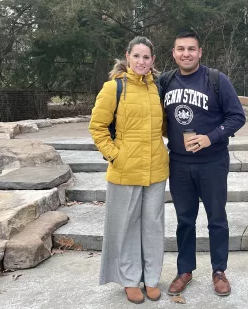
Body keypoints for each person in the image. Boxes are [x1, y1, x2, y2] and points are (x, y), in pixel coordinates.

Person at [161, 29, 246, 297]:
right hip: (179, 163)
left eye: (191, 49)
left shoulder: (216, 80)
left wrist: (211, 138)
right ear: (173, 53)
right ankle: (185, 270)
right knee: (185, 220)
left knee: (216, 218)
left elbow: (237, 117)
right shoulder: (165, 82)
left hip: (212, 161)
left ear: (199, 52)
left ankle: (219, 270)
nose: (186, 54)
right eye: (180, 49)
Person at [89, 36, 169, 304]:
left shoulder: (158, 89)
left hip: (156, 169)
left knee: (154, 226)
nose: (141, 61)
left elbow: (165, 126)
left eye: (146, 57)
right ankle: (130, 279)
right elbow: (97, 127)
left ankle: (152, 278)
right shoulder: (114, 88)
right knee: (127, 227)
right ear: (127, 57)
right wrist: (114, 156)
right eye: (137, 56)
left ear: (153, 61)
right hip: (125, 170)